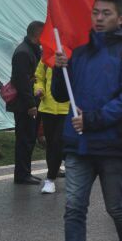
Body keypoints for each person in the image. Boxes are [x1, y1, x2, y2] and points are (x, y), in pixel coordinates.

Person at [47, 0, 122, 241]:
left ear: (119, 18)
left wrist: (93, 119)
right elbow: (63, 95)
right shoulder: (80, 53)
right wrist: (58, 69)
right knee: (74, 208)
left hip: (112, 144)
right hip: (77, 144)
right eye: (95, 13)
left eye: (106, 13)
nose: (99, 18)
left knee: (116, 207)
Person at [7, 21, 44, 185]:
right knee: (24, 139)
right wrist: (31, 104)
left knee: (29, 138)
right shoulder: (23, 52)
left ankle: (25, 172)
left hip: (31, 101)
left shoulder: (33, 50)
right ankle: (22, 174)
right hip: (24, 104)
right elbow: (21, 81)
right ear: (38, 33)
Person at [35, 59, 70, 194]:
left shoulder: (73, 56)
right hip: (47, 108)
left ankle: (50, 179)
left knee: (58, 142)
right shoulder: (46, 58)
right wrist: (39, 89)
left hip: (67, 109)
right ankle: (54, 174)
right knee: (51, 144)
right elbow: (39, 78)